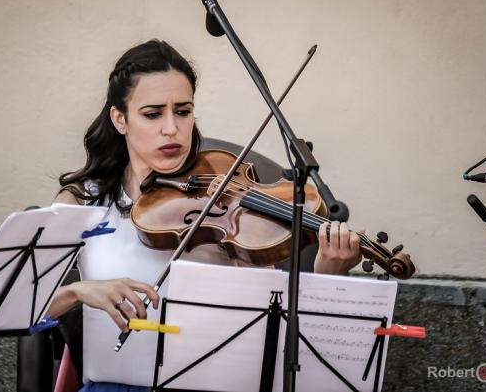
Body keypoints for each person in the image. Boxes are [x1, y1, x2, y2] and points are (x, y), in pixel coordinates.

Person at [47, 39, 361, 391]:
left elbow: (276, 326)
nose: (172, 128)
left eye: (183, 111)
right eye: (153, 114)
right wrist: (78, 291)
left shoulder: (224, 199)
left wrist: (328, 275)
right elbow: (21, 308)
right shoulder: (83, 200)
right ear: (120, 119)